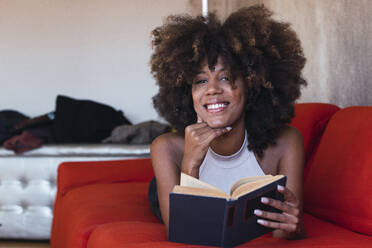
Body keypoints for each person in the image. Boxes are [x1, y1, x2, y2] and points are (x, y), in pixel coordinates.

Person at [149, 4, 307, 240]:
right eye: (200, 81)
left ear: (252, 85)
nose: (212, 89)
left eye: (225, 77)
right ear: (187, 93)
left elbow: (284, 231)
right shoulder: (166, 148)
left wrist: (293, 228)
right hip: (165, 186)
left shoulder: (287, 142)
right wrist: (190, 164)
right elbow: (179, 233)